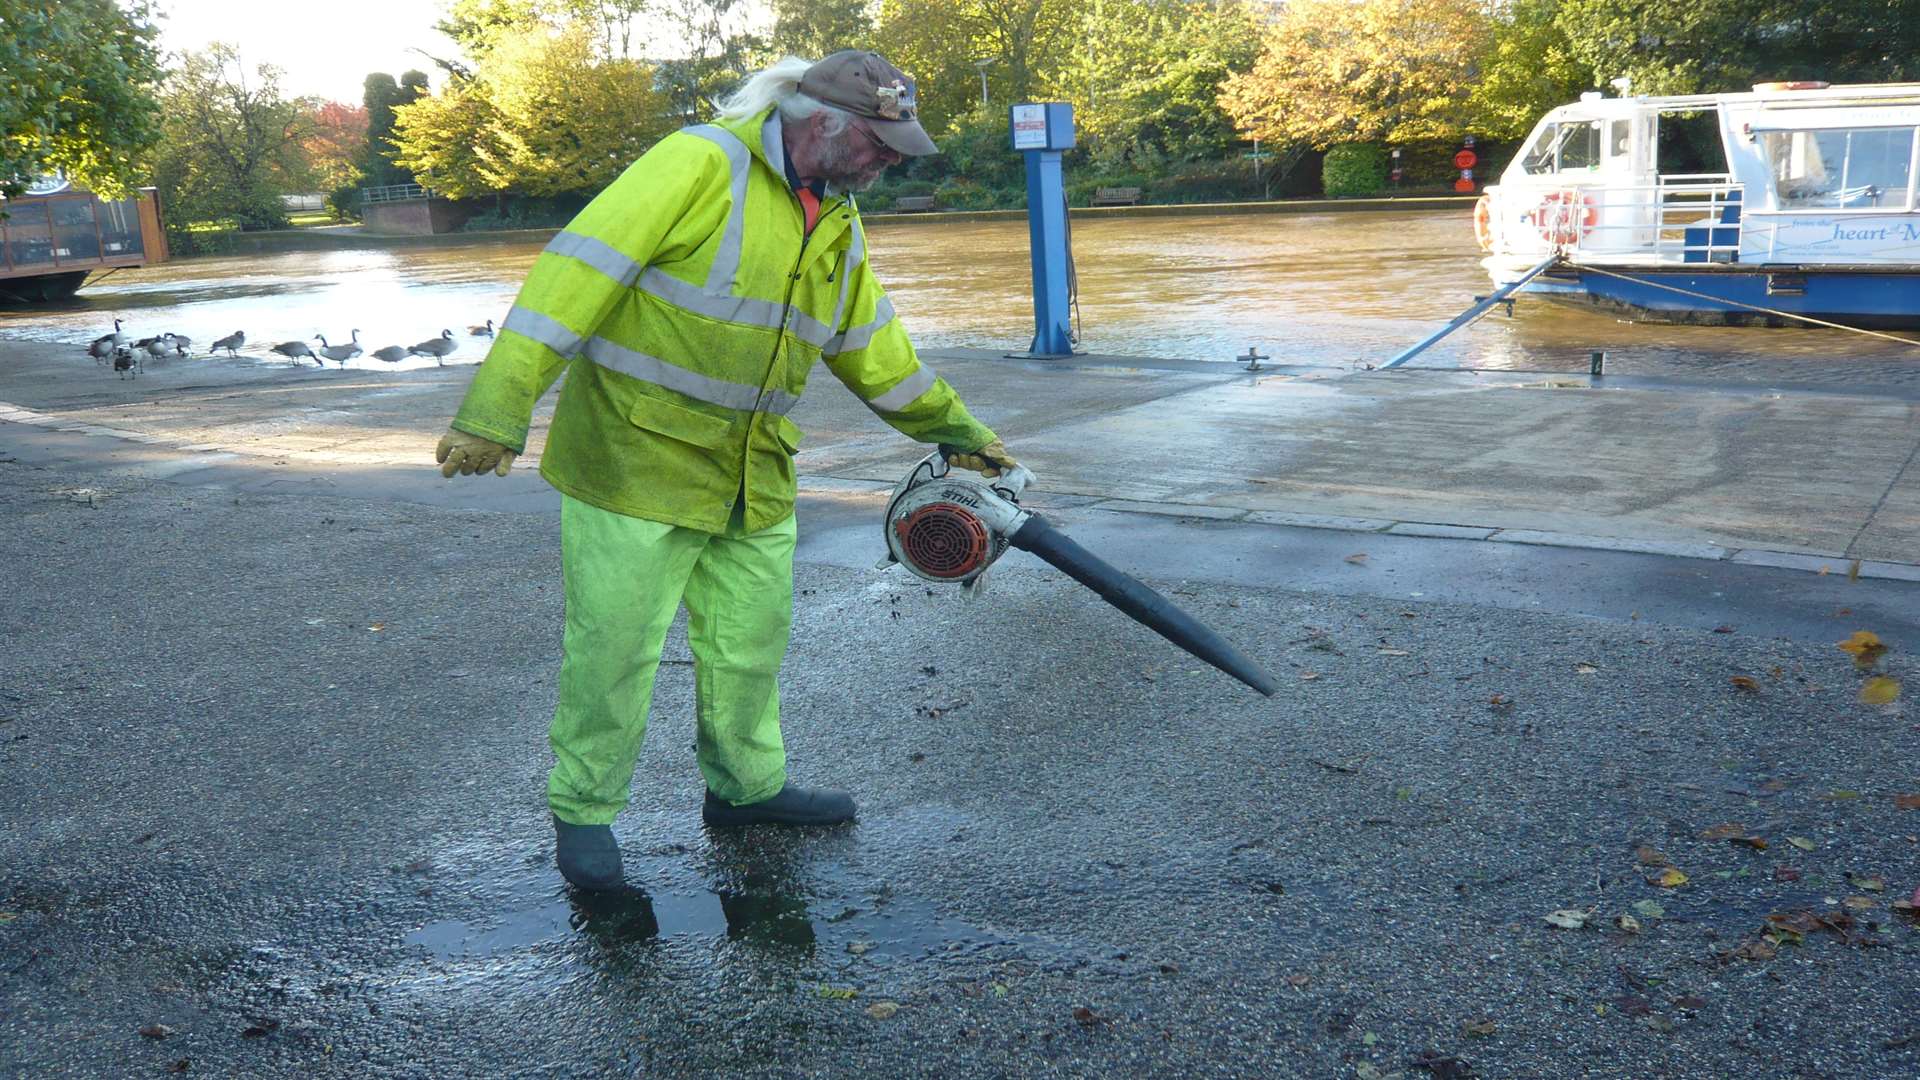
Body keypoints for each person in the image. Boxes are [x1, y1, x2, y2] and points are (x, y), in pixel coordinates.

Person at [432, 50, 1027, 891]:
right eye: (881, 145)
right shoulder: (698, 163)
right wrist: (497, 410)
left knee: (749, 644)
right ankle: (585, 813)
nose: (891, 163)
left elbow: (873, 350)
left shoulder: (837, 217)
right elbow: (573, 278)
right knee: (614, 651)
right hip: (634, 460)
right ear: (820, 121)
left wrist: (962, 432)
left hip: (752, 472)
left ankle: (746, 790)